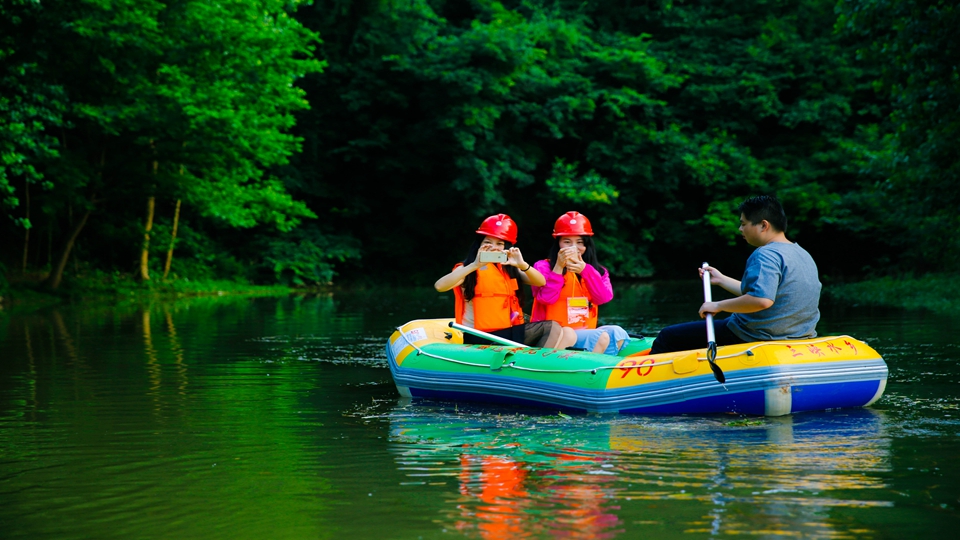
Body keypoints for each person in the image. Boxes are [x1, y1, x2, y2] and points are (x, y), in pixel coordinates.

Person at [649, 195, 821, 355]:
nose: (740, 229)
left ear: (763, 225)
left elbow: (761, 300)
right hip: (797, 336)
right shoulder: (801, 253)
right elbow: (766, 294)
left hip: (753, 335)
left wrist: (718, 306)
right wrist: (722, 280)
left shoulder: (765, 254)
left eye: (744, 223)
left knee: (668, 336)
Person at [435, 214, 577, 349]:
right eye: (487, 242)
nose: (494, 247)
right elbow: (440, 286)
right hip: (480, 336)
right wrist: (475, 265)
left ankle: (538, 366)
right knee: (551, 327)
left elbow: (541, 282)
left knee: (565, 331)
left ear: (506, 248)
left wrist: (522, 265)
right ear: (479, 245)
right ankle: (536, 366)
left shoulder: (508, 268)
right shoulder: (467, 269)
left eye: (500, 243)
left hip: (505, 334)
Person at [529, 211, 630, 355]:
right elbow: (545, 298)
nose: (573, 247)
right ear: (558, 243)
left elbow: (603, 298)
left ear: (587, 245)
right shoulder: (542, 267)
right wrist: (558, 267)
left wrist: (586, 271)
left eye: (579, 242)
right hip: (555, 333)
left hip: (583, 330)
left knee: (618, 332)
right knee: (599, 336)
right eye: (567, 242)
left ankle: (601, 367)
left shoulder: (598, 271)